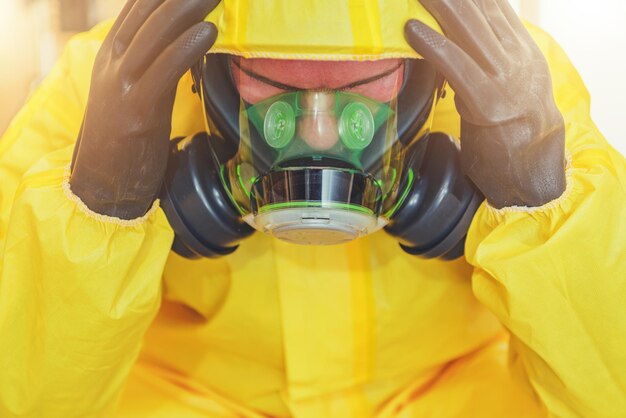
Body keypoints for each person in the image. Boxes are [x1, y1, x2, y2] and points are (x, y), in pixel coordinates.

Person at [0, 0, 625, 417]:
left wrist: (542, 203)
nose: (320, 132)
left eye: (362, 81)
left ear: (430, 74)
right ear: (204, 69)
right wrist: (95, 204)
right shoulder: (107, 83)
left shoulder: (510, 81)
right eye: (273, 79)